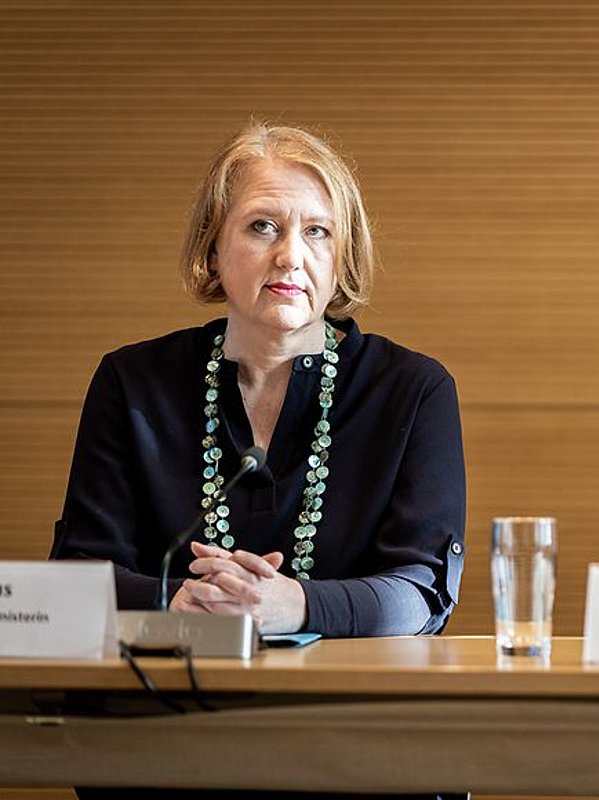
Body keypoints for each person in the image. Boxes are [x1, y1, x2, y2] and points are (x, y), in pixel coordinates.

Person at [51, 122, 466, 799]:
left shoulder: (413, 390)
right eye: (263, 227)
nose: (290, 257)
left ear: (342, 256)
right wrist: (174, 603)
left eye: (317, 232)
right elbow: (76, 580)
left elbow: (418, 595)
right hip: (165, 743)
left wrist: (289, 604)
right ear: (212, 251)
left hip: (358, 748)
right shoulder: (133, 383)